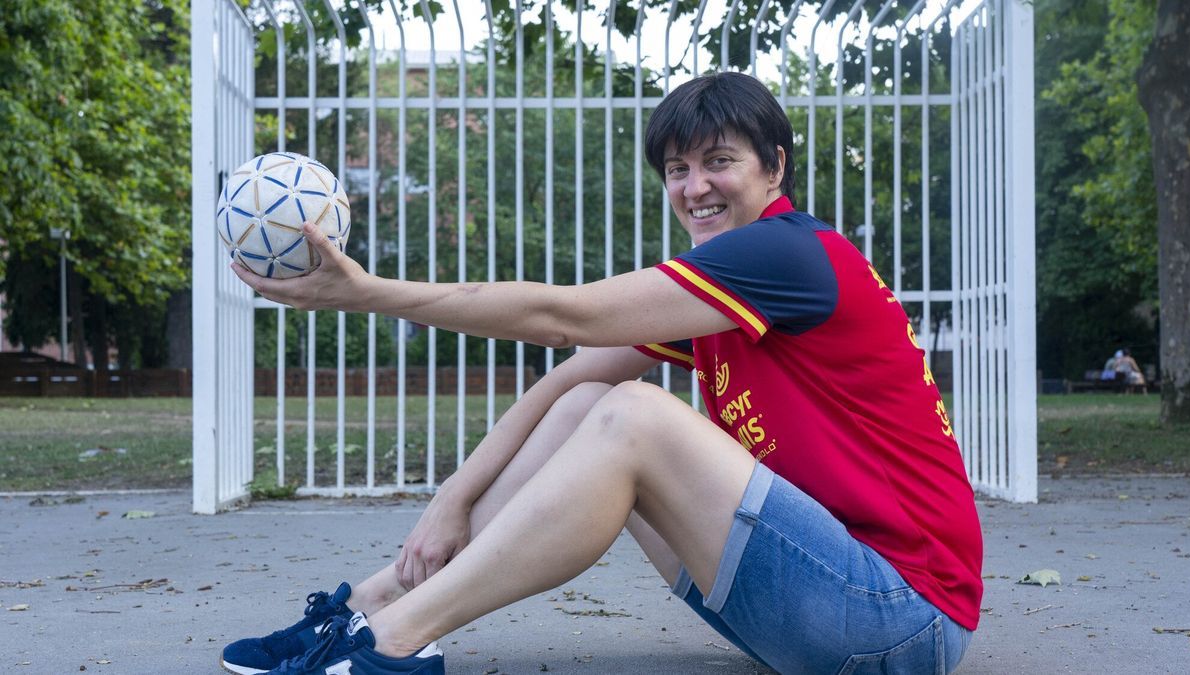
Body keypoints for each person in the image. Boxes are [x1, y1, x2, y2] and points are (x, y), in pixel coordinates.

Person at [224, 72, 981, 675]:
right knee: (594, 397)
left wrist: (368, 294)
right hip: (821, 600)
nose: (695, 188)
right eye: (678, 169)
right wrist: (450, 502)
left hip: (900, 621)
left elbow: (565, 317)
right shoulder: (726, 292)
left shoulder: (787, 253)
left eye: (720, 161)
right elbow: (564, 378)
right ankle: (374, 600)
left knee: (633, 416)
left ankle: (396, 640)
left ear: (775, 165)